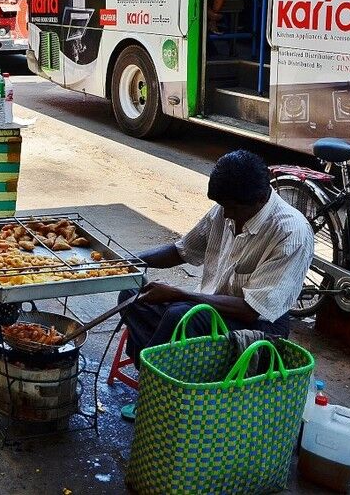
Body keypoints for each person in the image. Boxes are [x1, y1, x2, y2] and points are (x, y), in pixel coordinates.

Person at [116, 150, 313, 415]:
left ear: (259, 199)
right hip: (210, 307)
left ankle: (154, 396)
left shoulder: (290, 233)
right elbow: (183, 250)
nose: (226, 214)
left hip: (258, 323)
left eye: (232, 208)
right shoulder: (226, 208)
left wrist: (177, 294)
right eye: (223, 206)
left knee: (179, 315)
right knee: (131, 292)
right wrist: (126, 262)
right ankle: (158, 372)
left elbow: (252, 309)